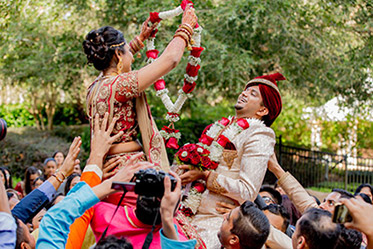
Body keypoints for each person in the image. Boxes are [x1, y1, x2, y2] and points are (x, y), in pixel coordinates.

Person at [84, 3, 197, 179]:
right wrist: (186, 27)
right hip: (129, 172)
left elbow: (118, 61)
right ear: (119, 55)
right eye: (129, 51)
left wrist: (140, 39)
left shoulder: (95, 87)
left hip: (105, 170)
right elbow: (171, 60)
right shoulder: (119, 86)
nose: (132, 54)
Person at [177, 72, 285, 248]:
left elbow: (248, 191)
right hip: (182, 210)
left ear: (262, 110)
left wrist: (206, 176)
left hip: (214, 224)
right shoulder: (220, 127)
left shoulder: (261, 134)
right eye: (245, 90)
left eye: (253, 94)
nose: (244, 93)